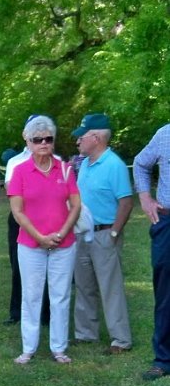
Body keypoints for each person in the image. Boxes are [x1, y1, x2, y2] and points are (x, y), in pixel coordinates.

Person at [7, 115, 81, 364]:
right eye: (38, 139)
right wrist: (39, 237)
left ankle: (59, 348)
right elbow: (17, 211)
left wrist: (61, 233)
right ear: (28, 142)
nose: (43, 143)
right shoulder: (19, 171)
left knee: (60, 295)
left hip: (64, 243)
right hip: (30, 244)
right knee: (31, 295)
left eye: (48, 139)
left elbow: (76, 205)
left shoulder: (65, 168)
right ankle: (28, 348)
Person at [71, 113, 133, 354]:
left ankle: (120, 340)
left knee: (110, 287)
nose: (78, 141)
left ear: (95, 138)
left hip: (105, 233)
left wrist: (115, 233)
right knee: (84, 285)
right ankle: (86, 334)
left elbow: (126, 202)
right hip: (82, 234)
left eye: (81, 137)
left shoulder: (114, 165)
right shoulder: (84, 164)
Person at [4, 115, 51, 326]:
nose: (41, 141)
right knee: (18, 264)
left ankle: (46, 314)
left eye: (45, 136)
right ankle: (17, 312)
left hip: (47, 219)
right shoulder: (15, 162)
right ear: (26, 135)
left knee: (48, 266)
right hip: (19, 218)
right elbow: (12, 194)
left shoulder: (54, 161)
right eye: (35, 134)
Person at [133, 124, 170, 380]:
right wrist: (145, 198)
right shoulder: (165, 134)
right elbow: (140, 163)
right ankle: (163, 359)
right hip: (167, 222)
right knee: (165, 290)